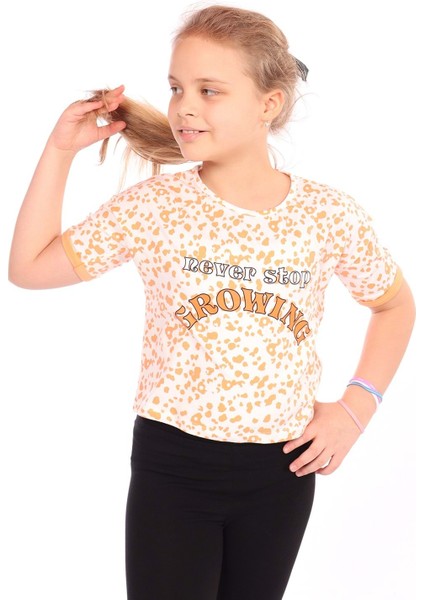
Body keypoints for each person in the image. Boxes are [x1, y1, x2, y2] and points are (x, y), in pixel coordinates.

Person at [8, 4, 415, 600]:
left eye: (209, 90)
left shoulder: (327, 215)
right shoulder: (156, 207)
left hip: (282, 471)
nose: (184, 107)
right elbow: (28, 268)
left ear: (268, 104)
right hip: (174, 467)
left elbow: (395, 305)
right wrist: (60, 150)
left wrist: (356, 408)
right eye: (176, 88)